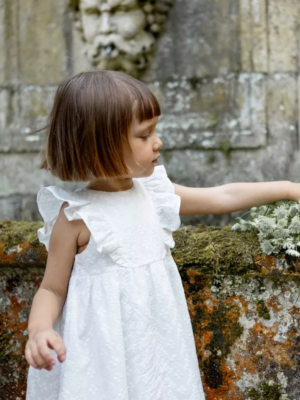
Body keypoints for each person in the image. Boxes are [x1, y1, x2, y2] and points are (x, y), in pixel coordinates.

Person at [25, 70, 299, 400]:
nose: (158, 141)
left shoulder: (153, 192)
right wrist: (39, 330)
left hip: (158, 347)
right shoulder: (77, 216)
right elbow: (52, 289)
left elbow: (222, 196)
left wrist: (289, 188)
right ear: (101, 145)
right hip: (103, 355)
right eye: (144, 135)